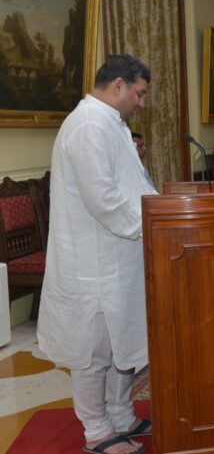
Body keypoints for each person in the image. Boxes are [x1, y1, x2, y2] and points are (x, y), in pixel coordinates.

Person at [37, 54, 156, 454]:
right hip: (94, 262)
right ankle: (97, 431)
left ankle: (121, 415)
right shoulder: (89, 124)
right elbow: (102, 198)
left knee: (122, 342)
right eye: (139, 93)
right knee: (94, 353)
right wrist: (150, 225)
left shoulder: (112, 123)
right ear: (118, 85)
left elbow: (132, 183)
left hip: (119, 256)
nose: (141, 103)